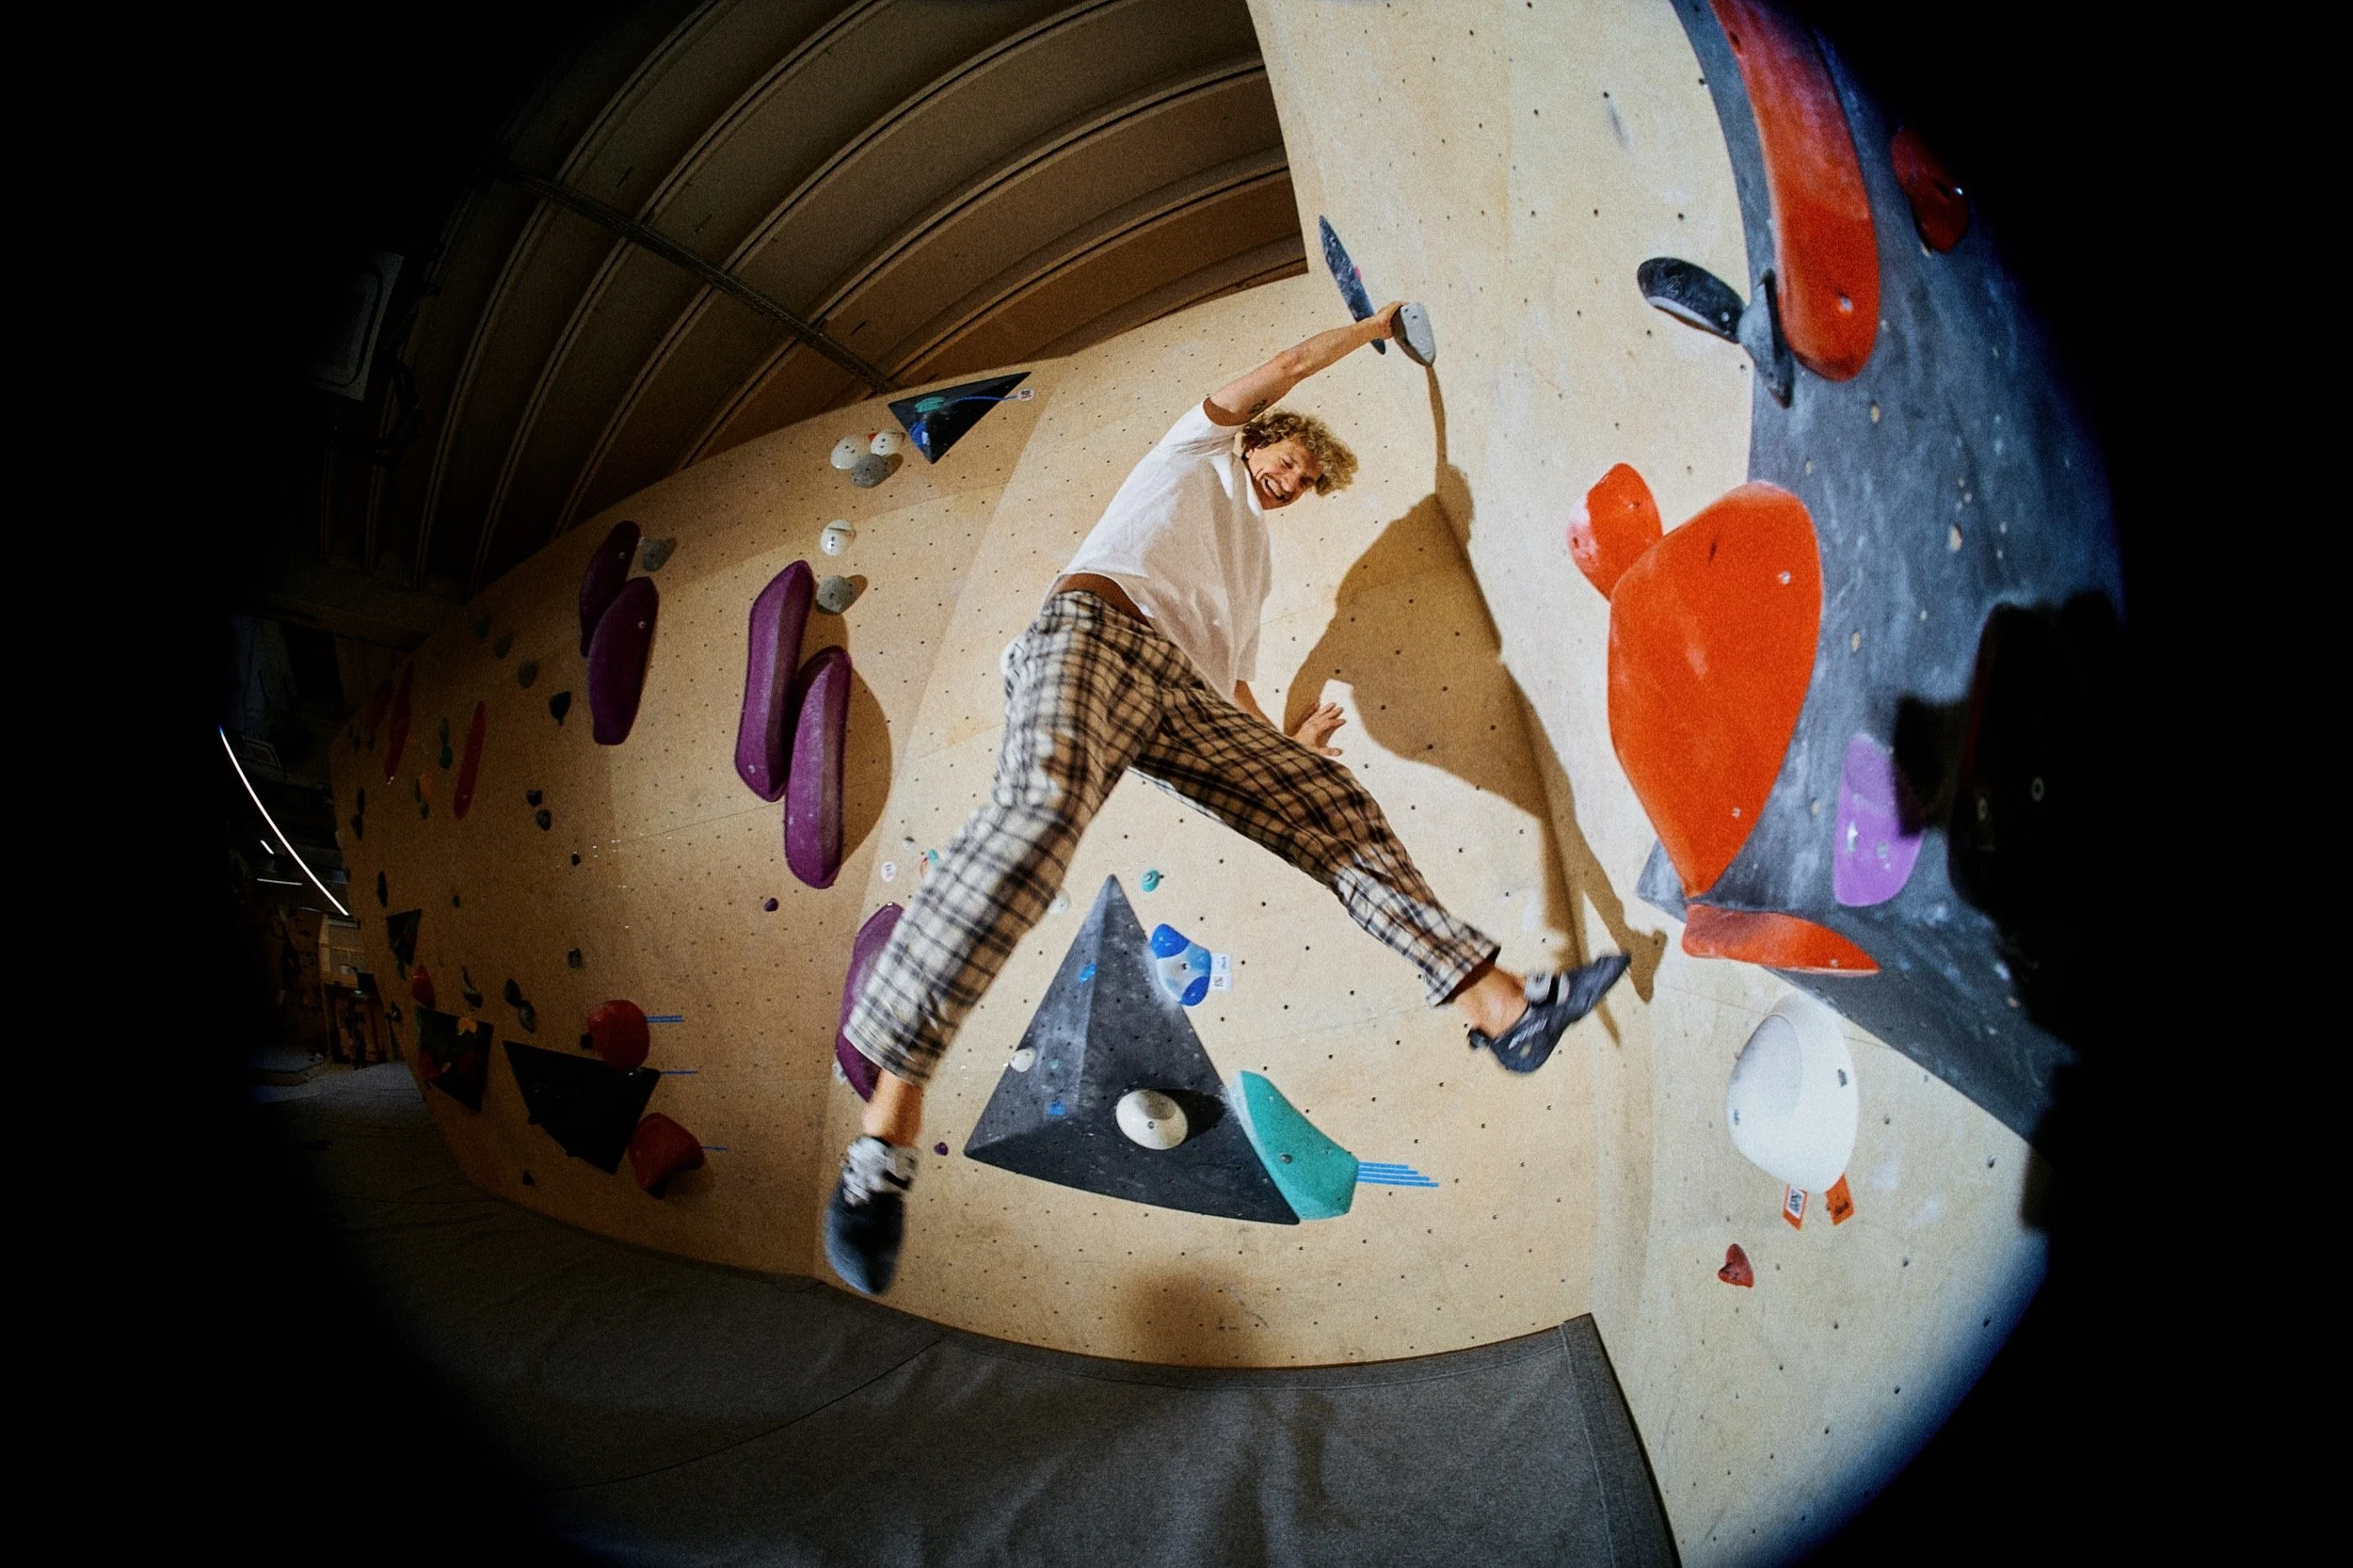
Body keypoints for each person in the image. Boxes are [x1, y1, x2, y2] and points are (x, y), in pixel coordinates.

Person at [827, 302, 1628, 1293]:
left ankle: (1503, 1008)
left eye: (1300, 486)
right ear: (1261, 436)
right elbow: (1287, 361)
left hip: (1182, 699)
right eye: (1287, 461)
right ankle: (882, 1141)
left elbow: (1236, 694)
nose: (1288, 483)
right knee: (1039, 820)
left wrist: (1285, 750)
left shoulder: (1248, 573)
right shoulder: (1193, 448)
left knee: (1331, 808)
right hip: (1087, 635)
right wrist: (1373, 326)